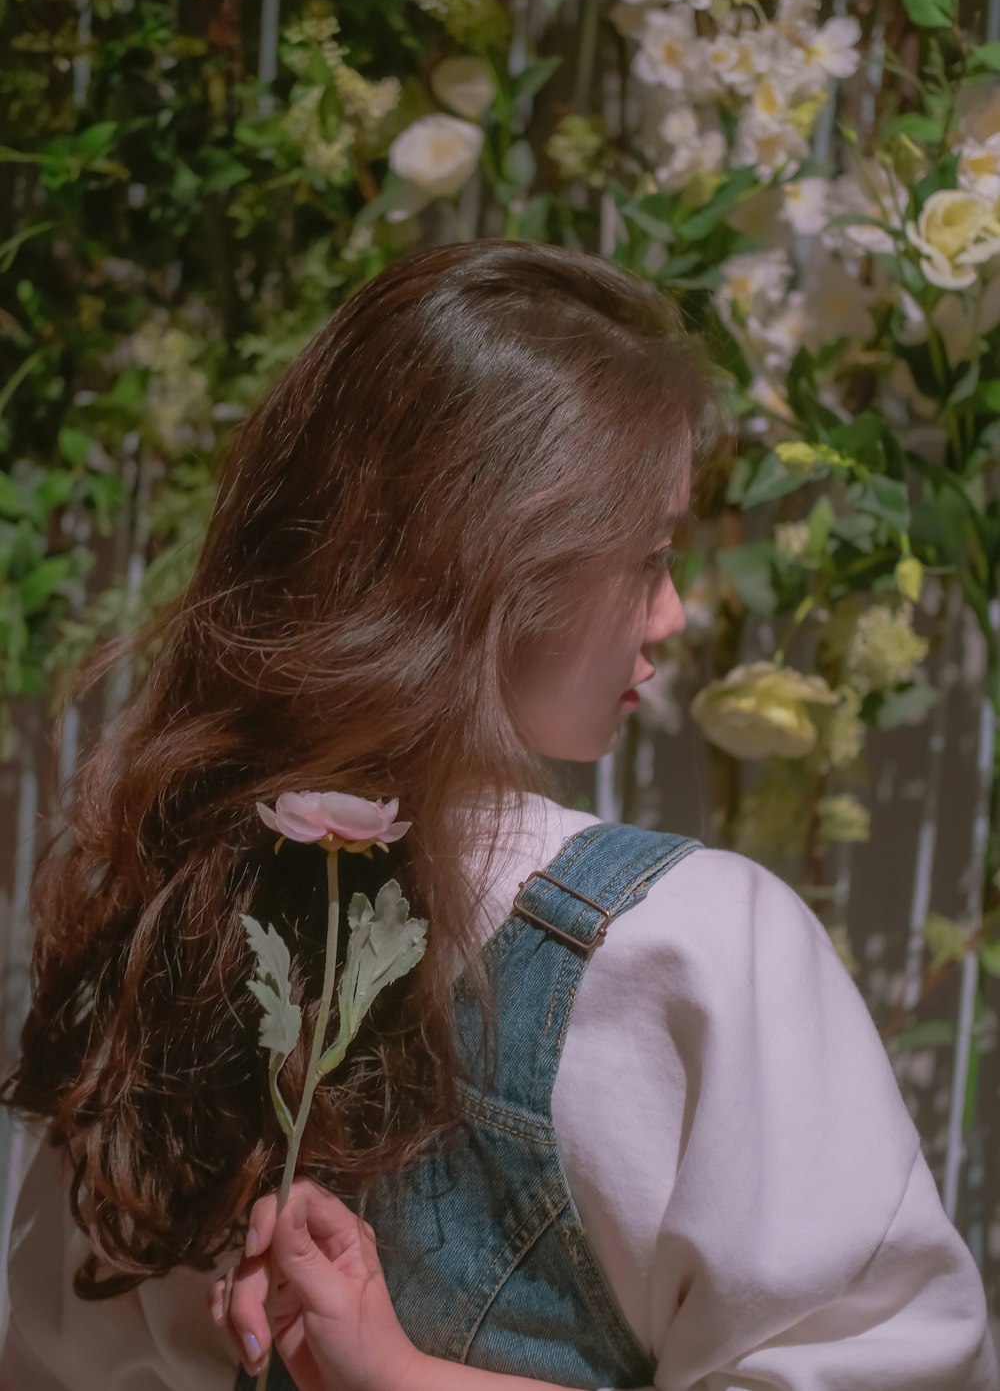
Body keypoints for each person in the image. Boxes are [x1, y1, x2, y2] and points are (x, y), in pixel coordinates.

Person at [0, 239, 995, 1391]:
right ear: (504, 560)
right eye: (649, 556)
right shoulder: (687, 947)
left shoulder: (166, 949)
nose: (668, 616)